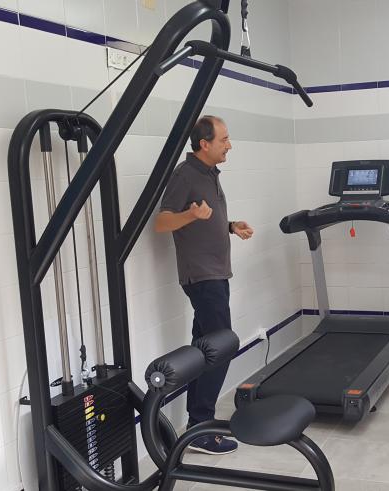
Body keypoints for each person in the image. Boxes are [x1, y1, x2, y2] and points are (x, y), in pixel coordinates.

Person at [155, 115, 253, 454]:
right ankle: (200, 427)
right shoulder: (185, 174)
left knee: (203, 351)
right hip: (202, 276)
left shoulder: (209, 173)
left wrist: (229, 225)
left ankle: (197, 426)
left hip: (215, 273)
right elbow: (163, 221)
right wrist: (190, 216)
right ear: (204, 144)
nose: (230, 144)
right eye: (224, 139)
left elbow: (206, 217)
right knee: (222, 348)